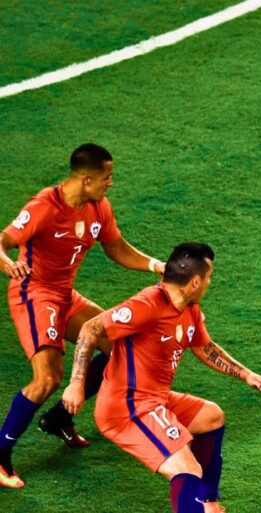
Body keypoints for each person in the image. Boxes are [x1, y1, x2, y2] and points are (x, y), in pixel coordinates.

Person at [61, 242, 261, 513]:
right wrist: (76, 383)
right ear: (195, 282)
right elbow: (91, 328)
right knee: (187, 468)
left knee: (212, 416)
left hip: (155, 400)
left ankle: (208, 502)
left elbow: (204, 347)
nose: (210, 283)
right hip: (127, 408)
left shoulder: (189, 309)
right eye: (209, 277)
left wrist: (246, 374)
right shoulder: (148, 304)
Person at [0, 143, 167, 488]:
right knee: (48, 378)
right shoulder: (44, 206)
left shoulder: (98, 207)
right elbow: (2, 241)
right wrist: (7, 263)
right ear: (87, 179)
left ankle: (58, 418)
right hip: (34, 295)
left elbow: (116, 247)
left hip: (65, 296)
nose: (111, 183)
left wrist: (156, 266)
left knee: (123, 346)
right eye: (107, 177)